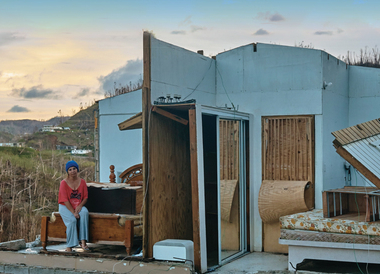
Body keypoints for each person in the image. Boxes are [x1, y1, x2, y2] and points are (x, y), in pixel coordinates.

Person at [58, 160, 90, 252]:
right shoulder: (63, 183)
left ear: (77, 169)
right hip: (65, 206)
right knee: (72, 221)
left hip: (78, 205)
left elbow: (85, 197)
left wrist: (80, 206)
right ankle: (70, 246)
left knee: (84, 212)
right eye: (70, 169)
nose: (73, 171)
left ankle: (83, 242)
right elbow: (65, 200)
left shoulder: (82, 182)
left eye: (74, 169)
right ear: (67, 172)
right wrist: (73, 212)